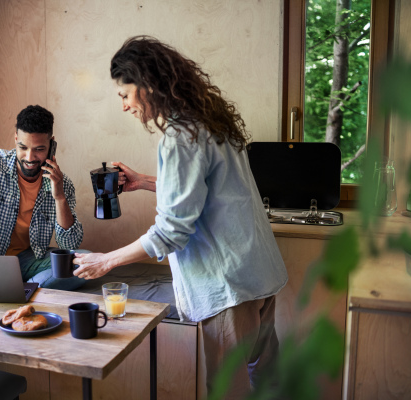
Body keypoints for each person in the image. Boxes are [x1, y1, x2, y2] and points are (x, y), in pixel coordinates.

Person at [72, 36, 288, 398]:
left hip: (228, 289)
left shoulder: (179, 137)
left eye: (125, 95)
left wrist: (105, 261)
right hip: (256, 276)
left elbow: (171, 234)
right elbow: (209, 192)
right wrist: (143, 182)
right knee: (268, 384)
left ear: (149, 86)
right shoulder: (210, 121)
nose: (124, 107)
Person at [0, 104, 84, 290]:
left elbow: (69, 244)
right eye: (23, 147)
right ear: (15, 138)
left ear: (52, 145)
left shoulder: (62, 184)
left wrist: (60, 197)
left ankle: (21, 290)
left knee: (83, 261)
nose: (29, 157)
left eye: (39, 149)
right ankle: (23, 289)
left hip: (24, 260)